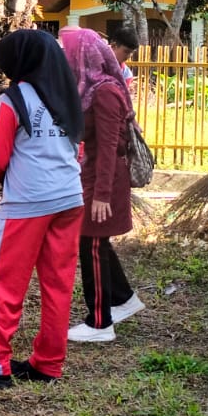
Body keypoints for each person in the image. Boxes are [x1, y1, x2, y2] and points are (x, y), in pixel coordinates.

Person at [0, 30, 85, 387]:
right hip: (70, 197)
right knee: (58, 283)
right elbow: (77, 147)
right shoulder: (66, 94)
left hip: (29, 202)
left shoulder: (14, 99)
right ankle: (48, 365)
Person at [59, 28, 142, 344]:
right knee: (97, 244)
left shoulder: (105, 91)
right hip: (93, 174)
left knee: (90, 244)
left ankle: (99, 323)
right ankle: (123, 299)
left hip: (103, 179)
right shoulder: (93, 87)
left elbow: (108, 145)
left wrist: (102, 194)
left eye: (70, 53)